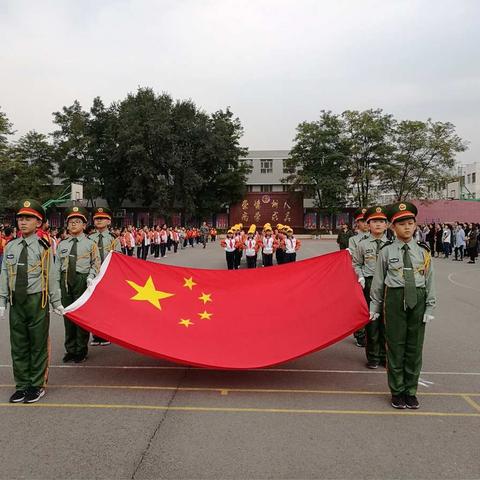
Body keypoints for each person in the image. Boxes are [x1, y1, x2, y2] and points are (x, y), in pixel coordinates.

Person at [370, 201, 436, 410]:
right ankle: (397, 391)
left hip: (417, 298)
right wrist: (375, 307)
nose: (407, 227)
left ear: (415, 225)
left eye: (410, 223)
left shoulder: (424, 251)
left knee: (414, 348)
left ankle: (411, 391)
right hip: (395, 299)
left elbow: (430, 281)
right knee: (396, 346)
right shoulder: (387, 251)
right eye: (401, 224)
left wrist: (430, 307)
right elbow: (379, 282)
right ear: (393, 227)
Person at [0, 199, 62, 403]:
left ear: (39, 222)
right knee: (18, 344)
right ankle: (22, 384)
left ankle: (36, 384)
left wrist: (56, 301)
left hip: (37, 300)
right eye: (20, 218)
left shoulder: (43, 246)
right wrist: (2, 300)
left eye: (28, 218)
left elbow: (51, 274)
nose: (23, 222)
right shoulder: (11, 246)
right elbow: (4, 274)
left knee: (37, 343)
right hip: (16, 301)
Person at [55, 206, 100, 364]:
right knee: (67, 315)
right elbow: (56, 266)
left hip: (82, 280)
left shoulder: (90, 244)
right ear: (67, 225)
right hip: (65, 279)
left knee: (80, 315)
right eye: (71, 222)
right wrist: (56, 286)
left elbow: (96, 263)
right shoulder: (62, 244)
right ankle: (70, 349)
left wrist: (91, 277)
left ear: (84, 225)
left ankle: (81, 349)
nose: (73, 224)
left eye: (77, 221)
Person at [352, 206, 389, 369]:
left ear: (387, 224)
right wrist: (360, 276)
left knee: (387, 322)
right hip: (369, 283)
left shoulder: (392, 245)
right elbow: (356, 263)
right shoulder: (362, 244)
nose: (378, 225)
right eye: (374, 221)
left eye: (381, 221)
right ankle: (373, 356)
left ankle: (385, 356)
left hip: (389, 286)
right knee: (372, 322)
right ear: (368, 224)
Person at [88, 207, 121, 346]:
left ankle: (105, 333)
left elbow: (119, 258)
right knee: (94, 305)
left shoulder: (113, 239)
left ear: (109, 221)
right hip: (93, 275)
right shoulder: (89, 238)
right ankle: (96, 334)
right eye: (96, 218)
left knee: (106, 305)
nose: (99, 220)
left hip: (108, 275)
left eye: (102, 218)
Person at [349, 207, 369, 348]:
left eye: (367, 220)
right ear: (357, 223)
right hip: (358, 276)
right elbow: (354, 258)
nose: (365, 223)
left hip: (375, 276)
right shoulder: (353, 240)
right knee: (359, 305)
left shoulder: (382, 239)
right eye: (362, 221)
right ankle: (360, 334)